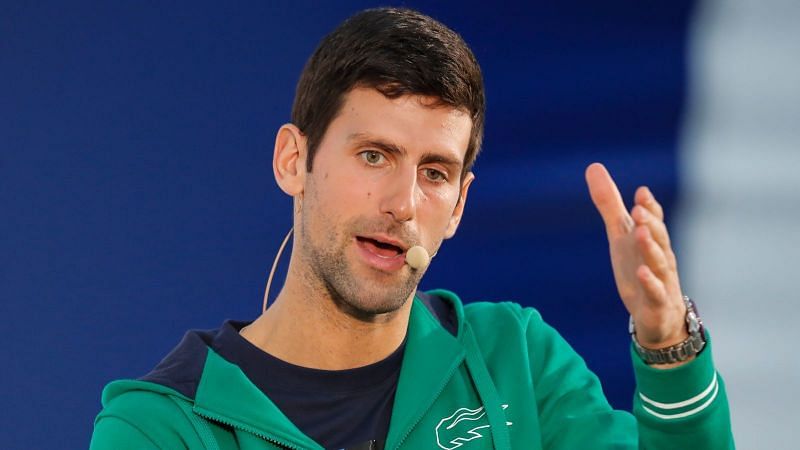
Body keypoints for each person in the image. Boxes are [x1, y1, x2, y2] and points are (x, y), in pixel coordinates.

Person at [90, 7, 734, 450]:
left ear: (458, 205)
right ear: (294, 161)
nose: (403, 201)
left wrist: (666, 343)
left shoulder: (516, 359)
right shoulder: (159, 427)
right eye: (374, 155)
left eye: (435, 171)